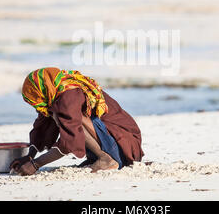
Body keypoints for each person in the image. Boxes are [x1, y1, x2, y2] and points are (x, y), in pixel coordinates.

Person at [10, 67, 144, 176]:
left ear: (41, 90)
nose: (37, 106)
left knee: (66, 117)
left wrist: (35, 164)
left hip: (123, 146)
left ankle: (106, 159)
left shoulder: (68, 95)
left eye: (36, 99)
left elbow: (70, 140)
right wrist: (30, 157)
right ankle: (99, 158)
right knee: (56, 114)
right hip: (117, 144)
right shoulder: (56, 92)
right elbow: (42, 126)